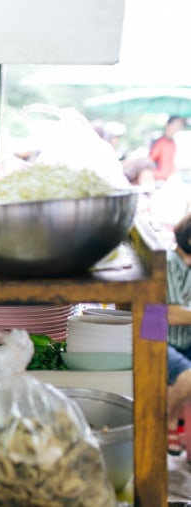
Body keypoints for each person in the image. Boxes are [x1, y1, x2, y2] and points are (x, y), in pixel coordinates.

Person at [163, 212, 191, 453]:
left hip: (183, 341)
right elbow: (169, 314)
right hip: (159, 341)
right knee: (188, 377)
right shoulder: (170, 262)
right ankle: (167, 422)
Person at [149, 115, 187, 183]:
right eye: (176, 125)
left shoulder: (174, 142)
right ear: (168, 125)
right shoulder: (160, 142)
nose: (178, 127)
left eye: (180, 125)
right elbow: (150, 160)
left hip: (172, 178)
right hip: (160, 179)